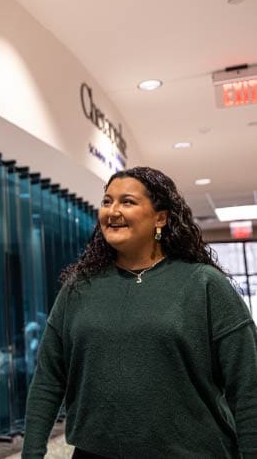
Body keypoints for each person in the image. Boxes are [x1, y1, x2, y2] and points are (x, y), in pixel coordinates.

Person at [22, 166, 257, 458]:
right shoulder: (79, 288)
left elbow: (247, 387)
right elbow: (48, 379)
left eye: (127, 202)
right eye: (107, 201)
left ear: (161, 217)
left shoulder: (204, 284)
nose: (113, 211)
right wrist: (31, 452)